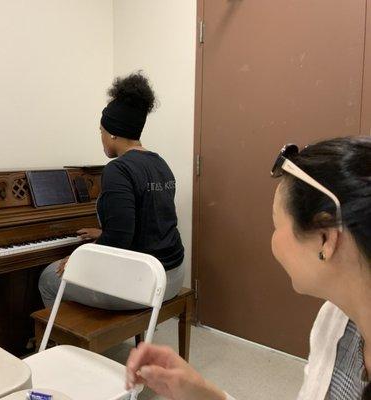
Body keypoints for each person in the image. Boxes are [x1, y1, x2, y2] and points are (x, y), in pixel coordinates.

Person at [126, 136, 371, 399]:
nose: (272, 240)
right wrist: (200, 391)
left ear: (326, 238)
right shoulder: (335, 320)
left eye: (277, 225)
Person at [39, 72, 185, 310]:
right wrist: (102, 234)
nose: (102, 138)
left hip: (143, 284)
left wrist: (78, 258)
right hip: (174, 275)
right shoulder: (160, 163)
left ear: (113, 133)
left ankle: (65, 344)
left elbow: (119, 239)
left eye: (101, 132)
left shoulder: (118, 169)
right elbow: (150, 221)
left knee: (47, 277)